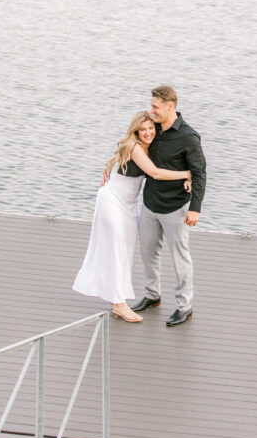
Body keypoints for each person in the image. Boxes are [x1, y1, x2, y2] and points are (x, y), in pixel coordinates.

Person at [73, 111, 191, 322]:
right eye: (143, 129)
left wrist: (186, 179)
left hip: (128, 206)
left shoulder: (151, 147)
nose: (147, 133)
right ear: (136, 130)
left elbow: (161, 166)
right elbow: (154, 173)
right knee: (117, 251)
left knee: (124, 252)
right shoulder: (135, 147)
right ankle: (119, 304)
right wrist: (186, 174)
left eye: (151, 129)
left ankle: (116, 299)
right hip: (112, 201)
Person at [132, 85, 206, 327]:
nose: (151, 110)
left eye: (156, 107)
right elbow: (132, 150)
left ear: (170, 106)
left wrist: (195, 208)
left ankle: (185, 306)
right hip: (150, 204)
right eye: (151, 106)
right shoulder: (152, 130)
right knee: (148, 252)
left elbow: (199, 173)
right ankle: (152, 295)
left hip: (176, 208)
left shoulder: (189, 137)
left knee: (179, 257)